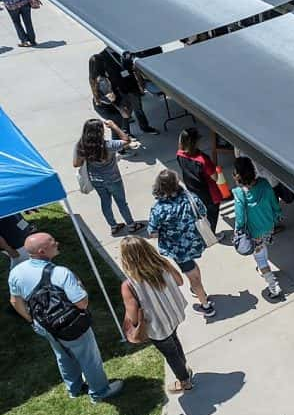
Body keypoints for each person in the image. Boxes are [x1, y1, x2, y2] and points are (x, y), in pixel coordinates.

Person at [8, 233, 123, 402]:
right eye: (52, 242)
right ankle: (100, 391)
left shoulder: (16, 272)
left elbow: (15, 301)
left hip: (44, 325)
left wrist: (32, 320)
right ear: (42, 251)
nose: (57, 243)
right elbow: (82, 303)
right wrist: (79, 284)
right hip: (71, 325)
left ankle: (74, 389)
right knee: (89, 357)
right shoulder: (61, 273)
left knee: (62, 355)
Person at [119, 236, 193, 393]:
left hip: (157, 325)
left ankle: (184, 381)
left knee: (170, 353)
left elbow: (133, 317)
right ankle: (184, 367)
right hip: (173, 314)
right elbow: (180, 281)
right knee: (173, 339)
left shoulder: (129, 285)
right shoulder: (163, 265)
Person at [148, 170, 216, 318]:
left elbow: (152, 232)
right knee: (193, 268)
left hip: (178, 250)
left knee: (193, 277)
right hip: (194, 243)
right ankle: (199, 290)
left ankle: (206, 306)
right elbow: (203, 212)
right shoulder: (190, 198)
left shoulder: (159, 209)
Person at [73, 119, 144, 236]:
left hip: (96, 180)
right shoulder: (109, 145)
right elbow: (127, 140)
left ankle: (113, 226)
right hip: (113, 179)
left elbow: (76, 164)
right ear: (100, 131)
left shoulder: (81, 146)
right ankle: (131, 225)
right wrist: (114, 126)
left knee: (105, 203)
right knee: (121, 203)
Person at [232, 157, 283, 299]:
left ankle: (274, 287)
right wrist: (278, 214)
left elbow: (240, 218)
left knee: (260, 259)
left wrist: (238, 231)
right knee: (263, 248)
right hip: (269, 226)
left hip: (254, 233)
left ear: (237, 175)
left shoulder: (239, 193)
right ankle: (264, 270)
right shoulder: (265, 184)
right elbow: (274, 202)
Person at [91, 49, 159, 136]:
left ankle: (145, 127)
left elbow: (134, 68)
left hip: (131, 85)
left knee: (138, 108)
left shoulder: (125, 52)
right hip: (119, 88)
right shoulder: (103, 56)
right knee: (125, 112)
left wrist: (140, 84)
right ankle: (127, 133)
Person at [176, 128, 224, 239]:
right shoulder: (203, 159)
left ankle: (202, 233)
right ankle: (211, 236)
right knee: (212, 214)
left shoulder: (179, 154)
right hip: (209, 193)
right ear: (195, 142)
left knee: (201, 214)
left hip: (193, 191)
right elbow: (215, 177)